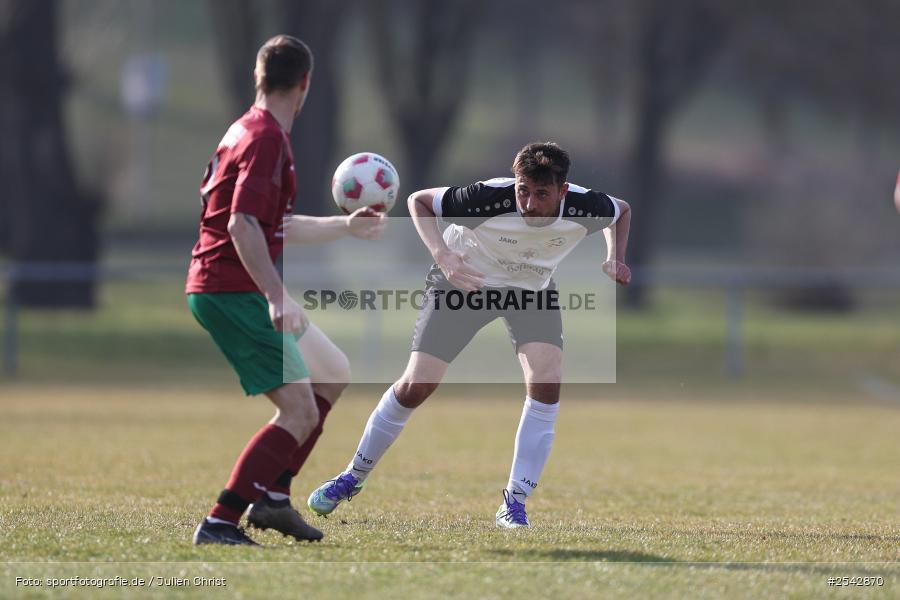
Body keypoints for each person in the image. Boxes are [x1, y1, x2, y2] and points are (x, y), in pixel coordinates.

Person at [307, 142, 631, 528]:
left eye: (541, 194)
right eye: (523, 190)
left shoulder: (585, 206)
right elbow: (420, 201)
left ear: (563, 192)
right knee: (417, 384)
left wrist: (615, 256)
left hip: (530, 292)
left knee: (547, 381)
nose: (528, 202)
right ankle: (352, 477)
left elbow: (621, 211)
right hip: (463, 283)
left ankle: (515, 502)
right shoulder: (489, 197)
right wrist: (443, 255)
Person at [186, 35, 385, 545]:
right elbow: (242, 225)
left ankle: (273, 499)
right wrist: (276, 296)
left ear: (259, 76)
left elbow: (278, 224)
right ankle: (220, 522)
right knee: (297, 410)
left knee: (333, 372)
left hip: (238, 282)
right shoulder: (268, 138)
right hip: (232, 287)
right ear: (305, 83)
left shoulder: (247, 129)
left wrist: (346, 227)